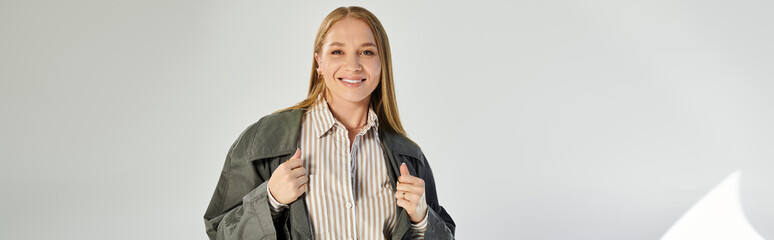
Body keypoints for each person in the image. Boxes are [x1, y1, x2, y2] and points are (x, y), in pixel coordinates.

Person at [203, 6, 455, 240]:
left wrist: (422, 220)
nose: (353, 65)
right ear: (319, 62)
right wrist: (270, 199)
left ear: (382, 63)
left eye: (367, 52)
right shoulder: (263, 140)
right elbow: (219, 232)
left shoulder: (408, 156)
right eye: (337, 52)